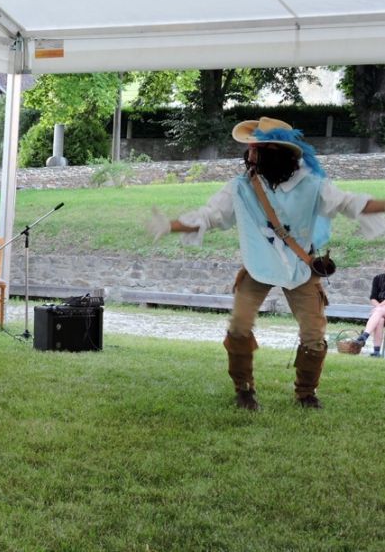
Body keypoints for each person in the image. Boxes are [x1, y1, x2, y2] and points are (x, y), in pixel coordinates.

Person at [147, 117, 385, 410]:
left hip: (300, 269)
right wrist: (170, 225)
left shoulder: (313, 186)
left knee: (314, 334)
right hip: (258, 265)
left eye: (255, 149)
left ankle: (306, 393)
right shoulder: (241, 187)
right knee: (239, 326)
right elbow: (211, 215)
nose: (249, 155)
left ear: (273, 153)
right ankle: (244, 390)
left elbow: (351, 203)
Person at [350, 272, 385, 356]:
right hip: (381, 310)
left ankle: (364, 336)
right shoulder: (378, 278)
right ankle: (376, 352)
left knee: (378, 311)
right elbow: (373, 297)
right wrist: (378, 307)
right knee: (380, 320)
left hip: (380, 309)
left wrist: (378, 308)